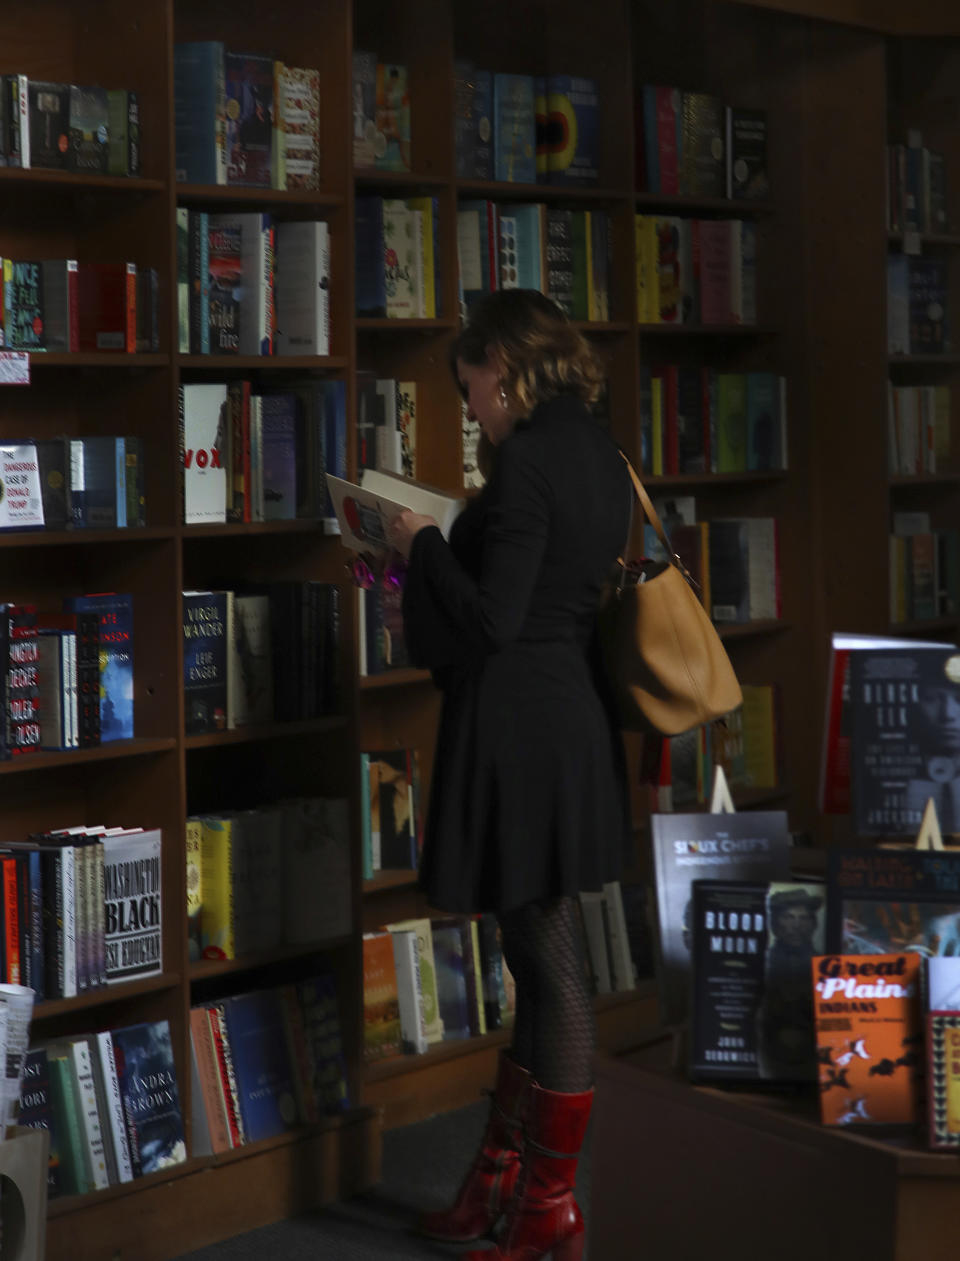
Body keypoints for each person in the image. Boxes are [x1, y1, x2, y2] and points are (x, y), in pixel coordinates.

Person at [386, 289, 632, 1261]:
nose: (473, 404)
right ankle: (504, 1181)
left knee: (549, 962)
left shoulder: (530, 460)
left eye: (473, 385)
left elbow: (494, 619)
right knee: (534, 963)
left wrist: (423, 545)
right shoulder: (598, 452)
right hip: (564, 721)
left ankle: (546, 1210)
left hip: (525, 734)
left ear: (510, 366)